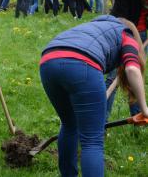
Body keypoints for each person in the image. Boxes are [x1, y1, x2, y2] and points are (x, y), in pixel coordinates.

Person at [40, 15, 148, 177]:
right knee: (92, 141)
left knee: (69, 125)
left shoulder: (92, 27)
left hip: (48, 62)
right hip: (83, 64)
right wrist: (145, 108)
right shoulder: (126, 34)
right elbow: (132, 69)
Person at [106, 0, 148, 118]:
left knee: (135, 75)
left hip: (144, 35)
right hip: (123, 34)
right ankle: (101, 120)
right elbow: (121, 19)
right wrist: (133, 42)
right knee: (113, 78)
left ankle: (138, 116)